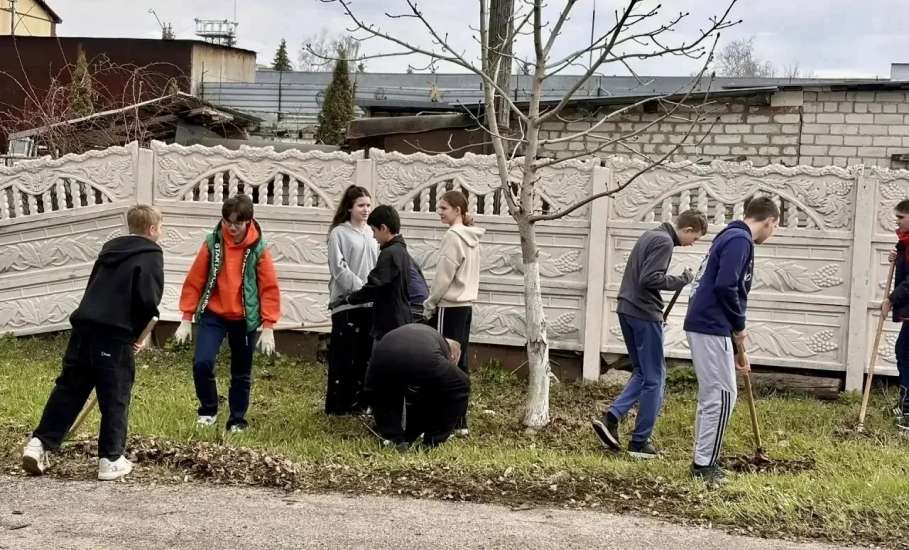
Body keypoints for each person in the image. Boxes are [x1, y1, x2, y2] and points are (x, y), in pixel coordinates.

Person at [22, 204, 164, 481]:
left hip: (84, 326)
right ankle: (111, 459)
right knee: (115, 395)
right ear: (152, 229)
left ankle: (39, 444)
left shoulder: (109, 250)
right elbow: (148, 300)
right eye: (161, 227)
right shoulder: (150, 254)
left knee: (69, 389)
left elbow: (93, 287)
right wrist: (137, 336)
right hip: (114, 334)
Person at [592, 209, 708, 459]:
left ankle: (611, 417)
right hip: (644, 314)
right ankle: (640, 441)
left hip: (627, 308)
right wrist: (681, 280)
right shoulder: (665, 241)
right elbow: (650, 278)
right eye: (695, 238)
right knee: (656, 377)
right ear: (687, 230)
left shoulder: (650, 235)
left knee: (643, 372)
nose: (692, 243)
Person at [683, 196, 779, 484]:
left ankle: (703, 459)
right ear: (769, 221)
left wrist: (738, 349)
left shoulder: (729, 236)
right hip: (712, 323)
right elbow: (726, 286)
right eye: (775, 227)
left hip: (709, 324)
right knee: (723, 395)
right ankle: (704, 466)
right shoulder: (740, 240)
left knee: (714, 395)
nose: (773, 233)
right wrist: (739, 326)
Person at [174, 194, 281, 433]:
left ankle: (237, 419)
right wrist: (185, 317)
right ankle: (208, 409)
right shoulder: (212, 243)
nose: (231, 228)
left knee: (241, 373)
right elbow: (195, 280)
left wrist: (269, 326)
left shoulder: (258, 249)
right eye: (227, 222)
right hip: (214, 315)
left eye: (237, 223)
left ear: (249, 222)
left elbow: (269, 288)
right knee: (202, 362)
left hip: (245, 319)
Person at [423, 190, 485, 435]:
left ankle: (444, 420)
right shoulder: (473, 237)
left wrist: (430, 303)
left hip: (448, 307)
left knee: (443, 362)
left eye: (444, 208)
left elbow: (443, 277)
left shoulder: (453, 236)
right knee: (461, 364)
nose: (440, 212)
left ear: (458, 210)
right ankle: (460, 421)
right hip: (466, 307)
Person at [364, 323, 470, 449]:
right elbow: (440, 387)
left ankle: (392, 438)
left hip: (382, 354)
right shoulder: (443, 351)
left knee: (384, 391)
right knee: (461, 384)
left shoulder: (429, 336)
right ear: (452, 357)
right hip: (422, 356)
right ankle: (432, 441)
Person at [325, 185, 379, 415]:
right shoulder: (339, 233)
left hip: (370, 304)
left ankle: (360, 403)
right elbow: (339, 268)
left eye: (368, 205)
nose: (366, 209)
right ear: (349, 207)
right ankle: (338, 405)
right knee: (344, 356)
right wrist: (361, 289)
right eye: (361, 205)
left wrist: (373, 291)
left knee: (365, 355)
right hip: (346, 303)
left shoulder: (372, 232)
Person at [330, 205, 412, 342]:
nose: (373, 236)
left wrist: (348, 299)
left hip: (389, 323)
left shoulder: (389, 254)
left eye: (374, 231)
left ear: (384, 228)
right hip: (401, 318)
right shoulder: (401, 251)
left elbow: (373, 287)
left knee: (381, 361)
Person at [884, 199, 909, 430]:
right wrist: (898, 256)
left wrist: (891, 299)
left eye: (901, 217)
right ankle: (905, 403)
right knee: (903, 351)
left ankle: (908, 409)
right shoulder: (905, 242)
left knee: (906, 353)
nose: (897, 221)